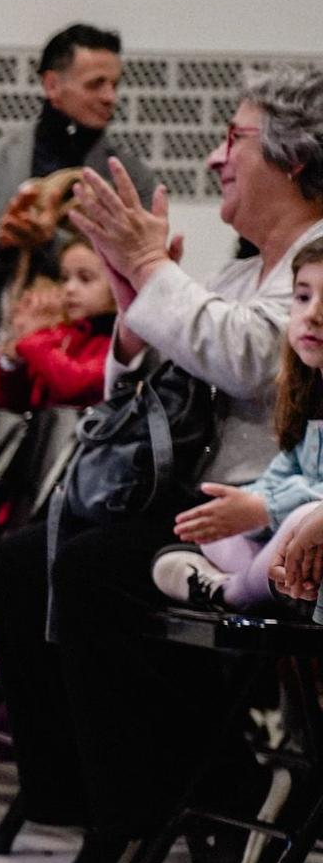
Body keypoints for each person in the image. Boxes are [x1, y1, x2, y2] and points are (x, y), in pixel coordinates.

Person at [0, 65, 323, 863]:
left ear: (292, 156)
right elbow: (168, 370)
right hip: (203, 504)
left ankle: (226, 787)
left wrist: (149, 272)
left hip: (274, 514)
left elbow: (258, 356)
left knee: (102, 566)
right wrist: (137, 312)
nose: (216, 157)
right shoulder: (252, 268)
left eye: (233, 139)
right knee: (31, 560)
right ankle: (108, 801)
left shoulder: (315, 266)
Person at [0, 23, 155, 398]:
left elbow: (141, 280)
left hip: (84, 382)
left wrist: (50, 242)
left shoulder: (129, 179)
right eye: (96, 84)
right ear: (52, 86)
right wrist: (3, 241)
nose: (110, 97)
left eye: (115, 84)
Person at [156, 237, 323, 607]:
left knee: (301, 517)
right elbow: (286, 468)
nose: (313, 314)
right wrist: (249, 501)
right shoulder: (310, 394)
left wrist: (268, 509)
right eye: (302, 297)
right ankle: (252, 579)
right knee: (217, 522)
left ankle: (230, 591)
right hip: (294, 542)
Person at [0, 235, 118, 409]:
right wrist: (12, 360)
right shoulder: (61, 335)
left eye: (85, 278)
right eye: (64, 278)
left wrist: (34, 338)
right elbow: (13, 401)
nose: (69, 289)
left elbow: (75, 387)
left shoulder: (120, 341)